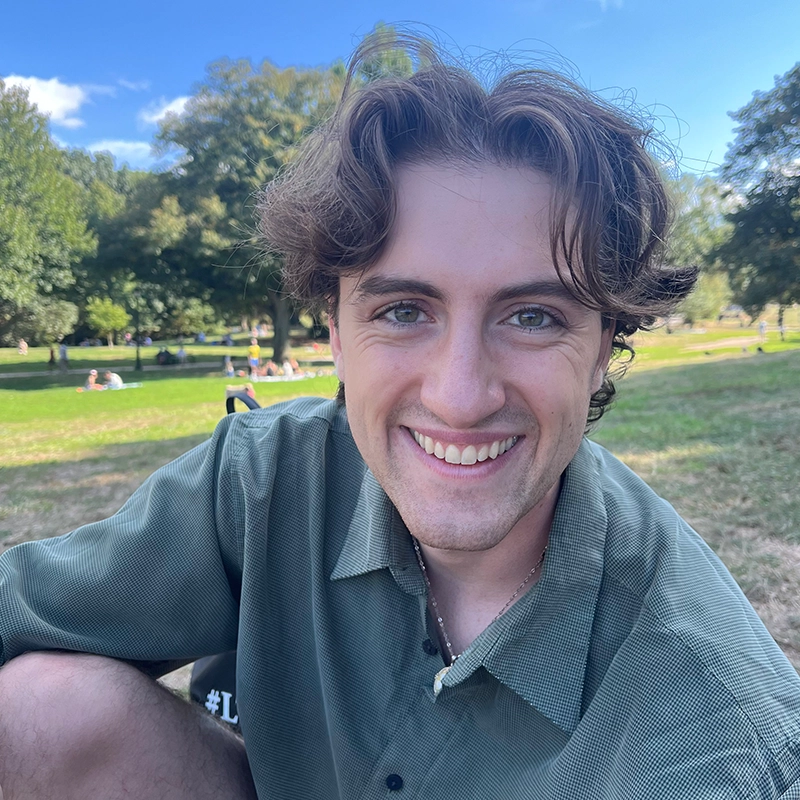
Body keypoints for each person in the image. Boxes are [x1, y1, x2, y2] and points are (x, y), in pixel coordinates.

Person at [1, 35, 799, 800]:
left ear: (601, 351)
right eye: (405, 309)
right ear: (336, 335)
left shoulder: (716, 730)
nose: (459, 395)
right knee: (39, 710)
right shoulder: (265, 480)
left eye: (532, 318)